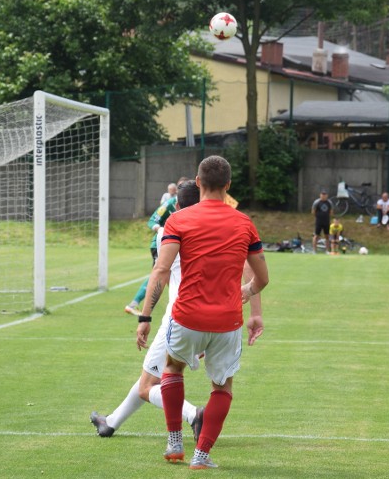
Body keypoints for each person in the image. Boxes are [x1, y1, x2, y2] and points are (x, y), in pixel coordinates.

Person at [136, 155, 269, 470]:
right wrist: (246, 294)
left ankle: (175, 443)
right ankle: (202, 455)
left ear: (197, 182)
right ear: (228, 186)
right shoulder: (244, 223)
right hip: (226, 321)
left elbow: (161, 270)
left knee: (171, 370)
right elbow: (262, 279)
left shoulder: (178, 221)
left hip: (186, 317)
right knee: (222, 388)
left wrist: (144, 317)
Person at [91, 181, 205, 439]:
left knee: (148, 386)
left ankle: (193, 415)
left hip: (179, 318)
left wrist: (144, 316)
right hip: (209, 318)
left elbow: (160, 274)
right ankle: (110, 422)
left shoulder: (169, 228)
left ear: (176, 204)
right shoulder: (212, 231)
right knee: (151, 374)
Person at [124, 177, 190, 315]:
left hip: (178, 243)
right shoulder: (170, 204)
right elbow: (152, 220)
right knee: (161, 272)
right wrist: (160, 230)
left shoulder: (193, 206)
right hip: (162, 243)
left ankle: (176, 302)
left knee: (170, 273)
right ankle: (134, 304)